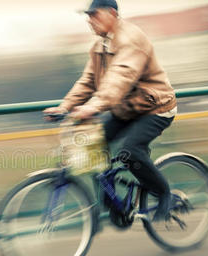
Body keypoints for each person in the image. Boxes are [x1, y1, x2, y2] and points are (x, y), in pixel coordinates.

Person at [44, 0, 177, 222]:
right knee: (93, 146)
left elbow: (119, 79)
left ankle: (164, 194)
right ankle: (113, 201)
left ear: (112, 13)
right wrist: (65, 106)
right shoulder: (99, 46)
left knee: (130, 151)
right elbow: (87, 81)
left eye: (95, 15)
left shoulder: (131, 40)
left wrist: (93, 107)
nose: (90, 20)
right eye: (88, 15)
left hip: (154, 107)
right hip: (126, 109)